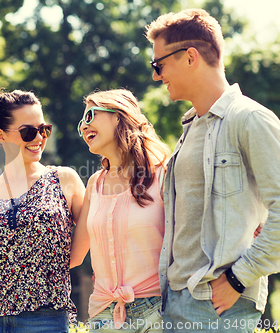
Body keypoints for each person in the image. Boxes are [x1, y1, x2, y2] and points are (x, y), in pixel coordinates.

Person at [145, 9, 280, 332]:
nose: (155, 76)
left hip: (218, 308)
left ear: (190, 57)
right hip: (177, 301)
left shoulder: (249, 119)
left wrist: (238, 278)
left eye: (158, 64)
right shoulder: (191, 127)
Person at [0, 89, 85, 333]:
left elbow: (79, 254)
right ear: (1, 135)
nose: (39, 138)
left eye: (44, 129)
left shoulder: (64, 179)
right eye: (29, 131)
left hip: (45, 317)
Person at [70, 89, 171, 332]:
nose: (84, 127)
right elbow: (73, 255)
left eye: (90, 115)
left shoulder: (165, 174)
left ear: (118, 116)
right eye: (81, 122)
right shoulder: (95, 183)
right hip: (103, 314)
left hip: (157, 312)